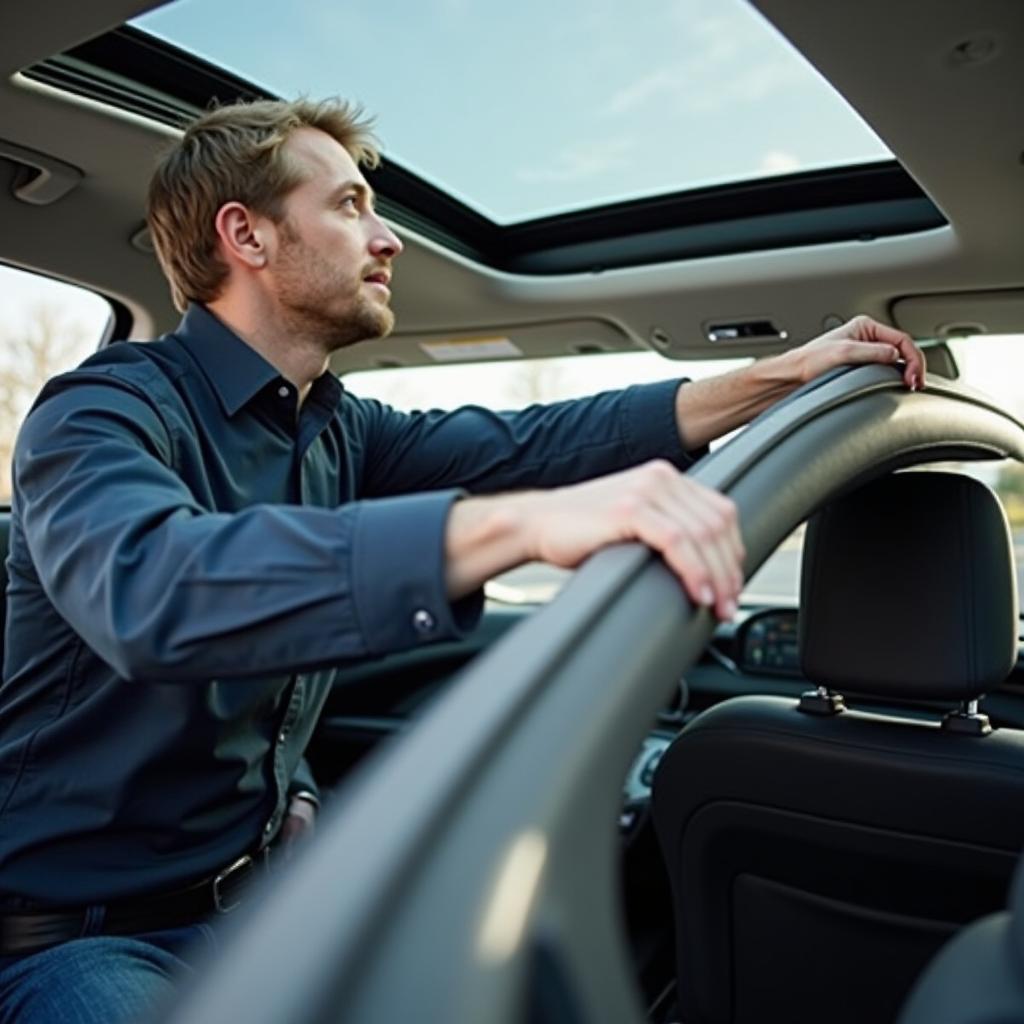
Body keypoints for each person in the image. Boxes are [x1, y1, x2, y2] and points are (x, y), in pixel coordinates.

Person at [0, 98, 925, 1023]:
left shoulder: (335, 428)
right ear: (245, 234)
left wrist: (780, 377)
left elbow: (533, 443)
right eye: (352, 204)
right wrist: (519, 526)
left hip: (255, 900)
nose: (387, 237)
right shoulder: (99, 413)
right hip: (81, 940)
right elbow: (155, 589)